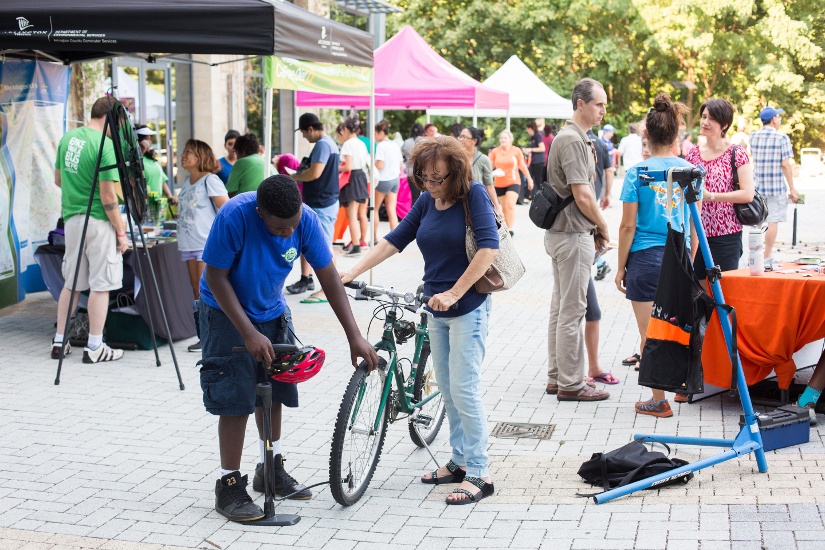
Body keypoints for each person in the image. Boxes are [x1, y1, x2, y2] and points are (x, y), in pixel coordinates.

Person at [198, 174, 377, 522]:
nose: (286, 234)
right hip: (224, 312)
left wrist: (353, 335)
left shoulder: (304, 220)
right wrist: (248, 332)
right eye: (279, 229)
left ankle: (270, 468)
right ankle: (229, 484)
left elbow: (328, 277)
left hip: (272, 310)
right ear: (260, 212)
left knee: (275, 392)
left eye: (291, 227)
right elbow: (214, 277)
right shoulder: (234, 216)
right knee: (236, 398)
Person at [340, 136, 499, 505]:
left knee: (464, 388)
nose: (429, 185)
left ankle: (479, 472)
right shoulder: (428, 200)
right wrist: (353, 270)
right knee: (446, 385)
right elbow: (395, 240)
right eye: (424, 178)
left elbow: (489, 249)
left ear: (456, 174)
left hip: (468, 308)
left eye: (438, 178)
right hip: (435, 307)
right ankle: (459, 462)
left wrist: (455, 293)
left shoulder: (473, 196)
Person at [615, 93, 698, 418]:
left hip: (645, 260)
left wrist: (620, 267)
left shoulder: (637, 173)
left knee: (649, 333)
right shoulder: (691, 172)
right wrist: (688, 261)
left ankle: (658, 399)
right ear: (677, 134)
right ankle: (683, 389)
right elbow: (695, 226)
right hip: (678, 257)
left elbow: (627, 226)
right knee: (678, 327)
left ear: (646, 135)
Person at [544, 78, 611, 402]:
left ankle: (558, 377)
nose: (603, 110)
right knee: (572, 311)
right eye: (598, 104)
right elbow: (583, 194)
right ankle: (571, 384)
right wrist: (603, 226)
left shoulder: (575, 137)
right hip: (571, 235)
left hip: (564, 234)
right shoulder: (571, 139)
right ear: (580, 103)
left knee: (561, 309)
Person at [52, 96, 127, 363]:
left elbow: (58, 179)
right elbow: (108, 197)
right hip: (98, 220)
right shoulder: (105, 145)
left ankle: (59, 342)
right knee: (101, 284)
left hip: (72, 218)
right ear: (111, 119)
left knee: (71, 283)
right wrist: (120, 232)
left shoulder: (67, 138)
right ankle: (95, 346)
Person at [685, 99, 755, 279]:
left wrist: (712, 196)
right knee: (699, 290)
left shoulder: (736, 153)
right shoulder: (692, 154)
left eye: (712, 119)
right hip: (697, 233)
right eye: (704, 116)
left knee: (724, 289)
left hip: (727, 234)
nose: (705, 122)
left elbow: (748, 194)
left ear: (724, 124)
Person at [178, 139, 229, 352]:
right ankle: (204, 336)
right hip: (188, 243)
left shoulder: (210, 181)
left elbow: (226, 210)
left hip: (204, 243)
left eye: (189, 152)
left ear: (201, 156)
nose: (183, 155)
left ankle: (213, 337)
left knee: (205, 291)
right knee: (196, 291)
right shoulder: (187, 182)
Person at [289, 113, 341, 303]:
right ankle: (321, 285)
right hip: (323, 201)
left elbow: (315, 172)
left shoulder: (322, 144)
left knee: (325, 247)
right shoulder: (329, 143)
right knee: (320, 245)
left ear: (310, 128)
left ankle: (329, 290)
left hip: (323, 202)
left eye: (304, 132)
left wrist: (294, 177)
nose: (304, 137)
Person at [750, 106, 798, 270]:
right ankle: (767, 256)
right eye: (778, 117)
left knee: (758, 220)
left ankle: (755, 254)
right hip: (776, 187)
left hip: (757, 186)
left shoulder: (753, 136)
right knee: (773, 219)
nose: (780, 119)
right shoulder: (781, 137)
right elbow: (785, 164)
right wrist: (792, 188)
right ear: (773, 119)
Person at [336, 117, 370, 257]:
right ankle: (358, 243)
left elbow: (348, 166)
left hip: (352, 178)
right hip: (361, 177)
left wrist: (335, 167)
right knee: (357, 214)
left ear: (345, 129)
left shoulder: (348, 144)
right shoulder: (361, 143)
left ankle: (356, 246)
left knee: (352, 215)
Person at [489, 130, 532, 234]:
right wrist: (491, 174)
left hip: (513, 181)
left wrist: (529, 179)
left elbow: (522, 165)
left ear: (510, 140)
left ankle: (510, 228)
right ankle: (505, 229)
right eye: (501, 138)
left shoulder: (516, 150)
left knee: (510, 205)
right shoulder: (494, 151)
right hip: (499, 183)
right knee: (504, 208)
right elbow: (489, 167)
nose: (503, 140)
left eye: (505, 138)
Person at [588, 126, 614, 281]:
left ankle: (600, 262)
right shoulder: (601, 144)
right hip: (596, 190)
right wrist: (607, 194)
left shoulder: (576, 139)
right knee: (590, 229)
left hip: (582, 193)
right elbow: (609, 171)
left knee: (589, 230)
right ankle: (600, 262)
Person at [459, 126, 503, 217]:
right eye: (460, 136)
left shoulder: (484, 159)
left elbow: (489, 185)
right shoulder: (456, 158)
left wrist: (497, 208)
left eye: (464, 137)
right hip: (458, 201)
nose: (460, 139)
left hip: (477, 201)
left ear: (474, 141)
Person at [373, 119, 403, 242]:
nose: (374, 136)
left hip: (383, 180)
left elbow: (380, 165)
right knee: (391, 209)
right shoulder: (394, 145)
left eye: (375, 134)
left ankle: (374, 237)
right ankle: (395, 239)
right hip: (395, 180)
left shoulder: (381, 146)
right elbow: (401, 165)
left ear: (381, 132)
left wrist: (372, 163)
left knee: (374, 209)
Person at [136, 126, 176, 205]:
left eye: (150, 139)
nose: (149, 142)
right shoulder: (135, 160)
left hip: (157, 204)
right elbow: (136, 169)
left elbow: (162, 181)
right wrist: (141, 149)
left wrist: (170, 196)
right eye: (146, 139)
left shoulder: (152, 160)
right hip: (143, 204)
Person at [522, 120, 546, 200]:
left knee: (538, 180)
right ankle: (528, 195)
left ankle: (541, 197)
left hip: (538, 161)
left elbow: (542, 148)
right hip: (534, 161)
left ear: (530, 128)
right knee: (530, 177)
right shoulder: (533, 137)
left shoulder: (537, 136)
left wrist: (530, 149)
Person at [402, 123, 425, 204]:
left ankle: (415, 214)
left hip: (411, 172)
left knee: (414, 197)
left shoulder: (406, 142)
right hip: (424, 172)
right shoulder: (425, 141)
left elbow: (403, 154)